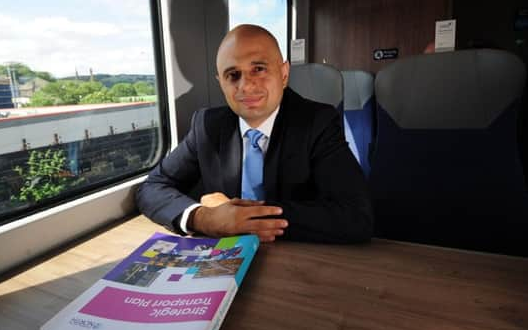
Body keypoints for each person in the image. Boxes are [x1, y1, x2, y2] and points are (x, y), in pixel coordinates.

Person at [136, 24, 373, 243]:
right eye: (233, 75)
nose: (246, 86)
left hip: (296, 257)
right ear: (221, 83)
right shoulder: (207, 126)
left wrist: (241, 218)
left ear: (283, 73)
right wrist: (206, 218)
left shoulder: (317, 122)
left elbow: (356, 216)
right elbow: (152, 187)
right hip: (224, 256)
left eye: (258, 69)